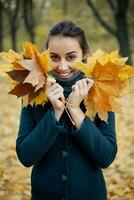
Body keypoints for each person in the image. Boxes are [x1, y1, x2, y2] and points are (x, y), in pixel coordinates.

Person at [16, 21, 118, 200]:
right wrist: (54, 113)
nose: (62, 67)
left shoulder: (101, 92)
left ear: (84, 54)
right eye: (54, 57)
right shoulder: (32, 94)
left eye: (71, 57)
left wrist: (75, 111)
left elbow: (106, 157)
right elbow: (26, 156)